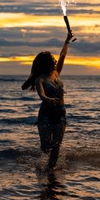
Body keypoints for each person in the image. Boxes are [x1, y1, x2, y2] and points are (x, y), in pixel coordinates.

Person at [22, 32, 75, 170]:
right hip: (46, 114)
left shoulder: (56, 73)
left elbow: (62, 56)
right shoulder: (40, 79)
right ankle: (43, 167)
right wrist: (48, 99)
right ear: (45, 63)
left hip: (60, 113)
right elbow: (41, 94)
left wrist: (67, 41)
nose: (54, 60)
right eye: (51, 59)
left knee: (56, 145)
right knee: (46, 148)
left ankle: (50, 171)